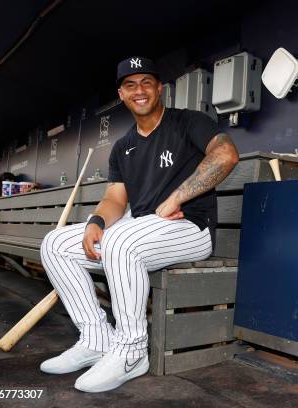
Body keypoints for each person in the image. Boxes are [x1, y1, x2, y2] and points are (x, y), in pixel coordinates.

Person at [38, 56, 239, 392]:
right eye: (130, 85)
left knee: (122, 241)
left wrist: (177, 197)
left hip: (189, 227)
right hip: (143, 229)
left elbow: (226, 155)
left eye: (146, 82)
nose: (139, 90)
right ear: (121, 94)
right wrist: (96, 221)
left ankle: (132, 351)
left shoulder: (187, 122)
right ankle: (96, 339)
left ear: (159, 88)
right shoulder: (122, 146)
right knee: (55, 244)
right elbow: (116, 199)